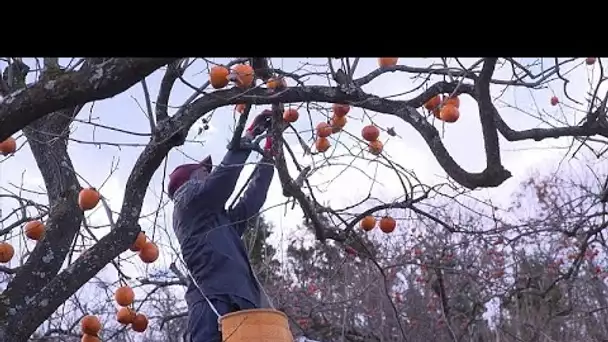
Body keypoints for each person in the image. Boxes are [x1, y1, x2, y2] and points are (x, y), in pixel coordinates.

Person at [167, 110, 276, 342]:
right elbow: (222, 182)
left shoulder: (218, 222)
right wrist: (249, 137)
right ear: (189, 181)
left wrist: (270, 151)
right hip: (214, 303)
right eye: (205, 171)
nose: (209, 173)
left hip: (240, 304)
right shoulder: (186, 201)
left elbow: (252, 200)